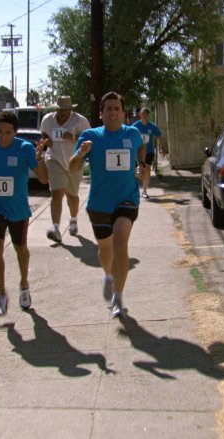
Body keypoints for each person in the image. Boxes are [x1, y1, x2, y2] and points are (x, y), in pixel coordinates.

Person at [69, 91, 144, 318]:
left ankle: (118, 297)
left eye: (117, 109)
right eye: (108, 109)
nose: (113, 112)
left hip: (127, 199)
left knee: (121, 244)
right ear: (101, 114)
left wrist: (140, 166)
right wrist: (81, 154)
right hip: (99, 203)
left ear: (123, 113)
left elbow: (140, 148)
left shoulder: (132, 134)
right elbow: (72, 167)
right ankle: (109, 275)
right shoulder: (90, 136)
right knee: (105, 251)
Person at [0, 111, 48, 316]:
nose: (3, 137)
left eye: (8, 132)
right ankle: (1, 293)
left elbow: (43, 180)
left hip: (18, 209)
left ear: (15, 132)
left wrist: (40, 157)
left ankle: (24, 284)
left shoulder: (24, 149)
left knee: (20, 248)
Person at [39, 96, 92, 243]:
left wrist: (73, 137)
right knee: (56, 193)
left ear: (70, 109)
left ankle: (73, 220)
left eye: (65, 110)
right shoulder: (47, 120)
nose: (62, 113)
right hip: (54, 159)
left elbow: (88, 140)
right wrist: (46, 141)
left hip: (74, 161)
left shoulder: (81, 121)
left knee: (72, 195)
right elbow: (43, 134)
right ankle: (55, 228)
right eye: (60, 110)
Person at [131, 108, 163, 199]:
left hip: (149, 152)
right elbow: (129, 135)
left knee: (147, 169)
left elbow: (159, 136)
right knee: (138, 171)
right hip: (138, 152)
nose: (144, 116)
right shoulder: (135, 126)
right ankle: (135, 187)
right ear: (140, 115)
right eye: (143, 114)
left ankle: (144, 190)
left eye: (146, 114)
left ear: (148, 115)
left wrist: (162, 147)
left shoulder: (152, 126)